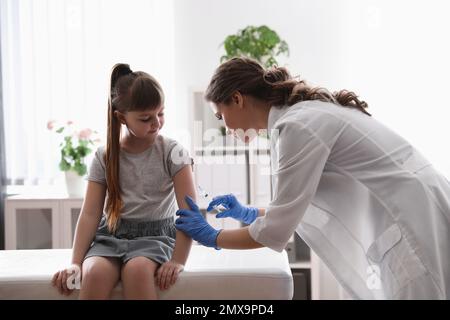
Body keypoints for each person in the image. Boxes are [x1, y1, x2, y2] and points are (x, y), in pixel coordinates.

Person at [175, 57, 450, 299]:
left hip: (412, 219)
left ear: (237, 98)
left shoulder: (298, 126)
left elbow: (275, 231)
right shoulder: (299, 118)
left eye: (221, 117)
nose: (226, 127)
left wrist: (213, 236)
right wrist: (250, 213)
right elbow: (297, 206)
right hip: (414, 209)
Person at [52, 63, 195, 299]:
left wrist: (178, 260)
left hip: (155, 237)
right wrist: (75, 263)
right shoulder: (104, 156)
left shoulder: (173, 152)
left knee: (137, 271)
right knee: (94, 273)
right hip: (110, 236)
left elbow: (189, 210)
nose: (156, 123)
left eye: (161, 113)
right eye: (146, 118)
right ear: (121, 117)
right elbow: (90, 213)